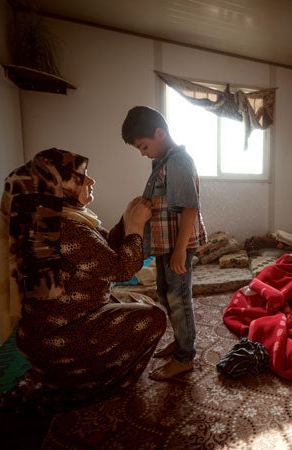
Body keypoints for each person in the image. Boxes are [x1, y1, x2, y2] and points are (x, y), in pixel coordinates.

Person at [0, 148, 167, 414]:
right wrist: (134, 228)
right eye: (82, 177)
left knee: (137, 300)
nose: (91, 181)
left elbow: (103, 252)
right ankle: (97, 385)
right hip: (61, 338)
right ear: (57, 187)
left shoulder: (55, 220)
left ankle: (62, 374)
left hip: (44, 335)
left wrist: (126, 217)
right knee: (154, 317)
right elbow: (120, 269)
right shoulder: (67, 228)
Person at [121, 106, 207, 380]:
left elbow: (190, 208)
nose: (143, 153)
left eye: (144, 146)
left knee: (179, 299)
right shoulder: (161, 163)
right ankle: (181, 342)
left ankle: (185, 357)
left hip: (176, 245)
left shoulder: (179, 160)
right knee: (164, 293)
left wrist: (180, 251)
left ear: (160, 133)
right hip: (164, 244)